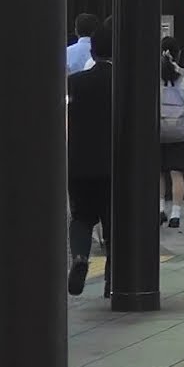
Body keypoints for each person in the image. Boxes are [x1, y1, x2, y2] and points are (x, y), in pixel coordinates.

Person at [67, 27, 113, 297]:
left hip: (80, 160)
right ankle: (112, 278)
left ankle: (81, 257)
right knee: (113, 219)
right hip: (115, 162)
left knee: (82, 216)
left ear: (93, 51)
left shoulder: (76, 82)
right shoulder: (124, 83)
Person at [159, 36, 184, 228]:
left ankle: (159, 209)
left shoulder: (153, 74)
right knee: (177, 173)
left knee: (158, 172)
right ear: (179, 54)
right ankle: (175, 213)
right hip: (179, 130)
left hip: (157, 129)